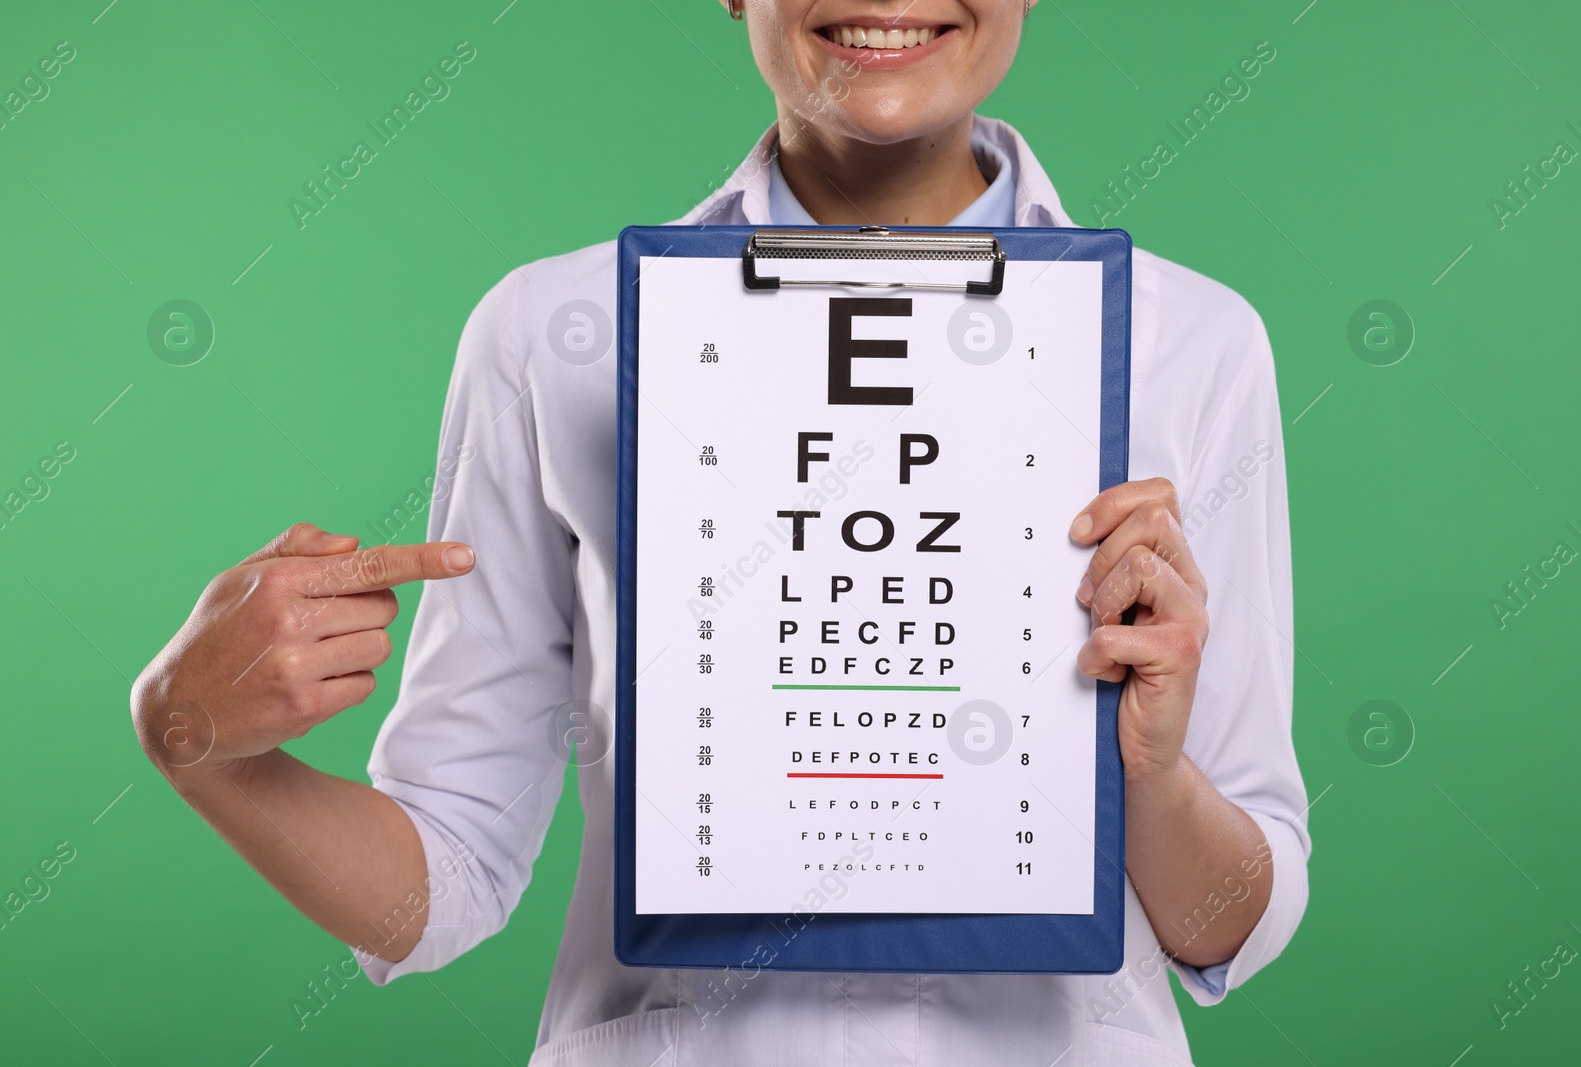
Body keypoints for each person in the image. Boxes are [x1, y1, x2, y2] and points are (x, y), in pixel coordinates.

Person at [131, 2, 1308, 1063]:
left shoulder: (1188, 344)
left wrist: (1148, 778)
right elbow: (443, 880)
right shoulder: (556, 334)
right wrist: (202, 743)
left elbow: (1230, 929)